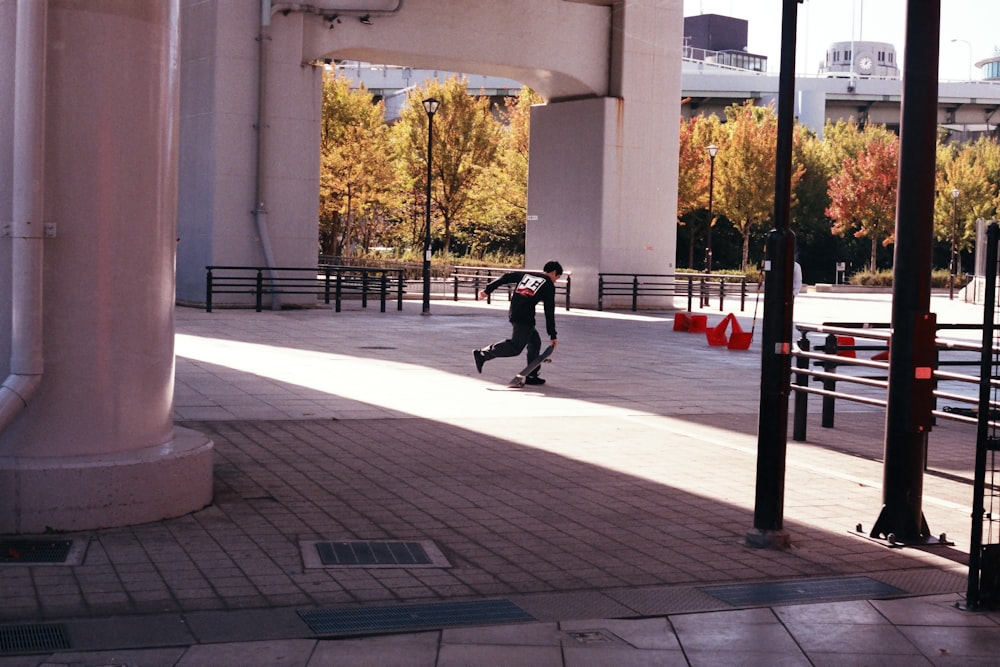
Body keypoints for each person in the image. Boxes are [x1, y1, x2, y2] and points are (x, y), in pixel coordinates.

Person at [473, 260, 563, 385]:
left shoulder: (528, 275)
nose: (555, 281)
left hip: (515, 312)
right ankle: (483, 354)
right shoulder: (548, 284)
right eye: (557, 278)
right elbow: (549, 310)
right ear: (554, 272)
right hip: (524, 317)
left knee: (535, 342)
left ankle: (531, 375)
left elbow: (505, 277)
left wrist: (488, 290)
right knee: (515, 347)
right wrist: (552, 334)